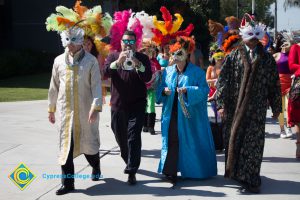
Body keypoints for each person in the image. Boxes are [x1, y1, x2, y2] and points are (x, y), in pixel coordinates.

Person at [216, 14, 281, 194]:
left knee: (254, 143)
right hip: (234, 106)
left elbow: (273, 83)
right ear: (244, 36)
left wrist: (276, 107)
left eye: (255, 36)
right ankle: (238, 174)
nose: (252, 40)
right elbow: (223, 80)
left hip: (257, 109)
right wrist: (221, 104)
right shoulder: (235, 55)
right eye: (249, 36)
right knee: (235, 140)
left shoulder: (267, 59)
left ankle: (252, 179)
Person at [48, 27, 102, 195]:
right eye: (67, 41)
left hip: (86, 112)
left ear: (80, 42)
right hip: (66, 113)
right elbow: (54, 86)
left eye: (73, 42)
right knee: (66, 149)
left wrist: (95, 108)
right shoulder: (58, 61)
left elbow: (96, 87)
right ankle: (68, 184)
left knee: (89, 147)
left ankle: (96, 165)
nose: (69, 46)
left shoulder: (91, 61)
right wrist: (51, 108)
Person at [156, 36, 217, 185]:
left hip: (190, 115)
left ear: (187, 54)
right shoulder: (168, 71)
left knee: (189, 141)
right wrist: (164, 91)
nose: (176, 57)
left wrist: (188, 90)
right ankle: (170, 171)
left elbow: (204, 91)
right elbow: (159, 90)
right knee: (171, 140)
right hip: (171, 113)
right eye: (174, 53)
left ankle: (193, 170)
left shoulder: (197, 72)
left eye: (180, 53)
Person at [104, 30, 152, 185]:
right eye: (126, 41)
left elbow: (148, 77)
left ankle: (132, 170)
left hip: (137, 104)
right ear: (121, 42)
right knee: (121, 138)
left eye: (131, 42)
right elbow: (105, 73)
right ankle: (128, 161)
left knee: (133, 137)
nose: (128, 44)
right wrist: (117, 62)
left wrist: (139, 65)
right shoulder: (112, 56)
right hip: (118, 105)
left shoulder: (143, 58)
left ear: (136, 43)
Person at [273, 32, 293, 138]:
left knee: (288, 106)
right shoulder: (276, 55)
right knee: (280, 108)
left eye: (287, 44)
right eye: (283, 44)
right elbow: (269, 68)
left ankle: (289, 127)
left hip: (290, 83)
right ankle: (282, 130)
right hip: (278, 84)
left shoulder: (293, 55)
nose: (285, 46)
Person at [140, 40, 162, 135]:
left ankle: (151, 126)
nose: (149, 53)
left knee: (151, 105)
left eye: (150, 51)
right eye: (146, 51)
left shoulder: (155, 62)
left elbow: (158, 73)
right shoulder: (140, 61)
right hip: (142, 88)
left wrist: (155, 82)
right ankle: (144, 125)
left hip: (152, 87)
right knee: (144, 105)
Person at [288, 38, 300, 159]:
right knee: (298, 117)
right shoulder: (295, 47)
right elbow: (292, 65)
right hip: (299, 84)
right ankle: (299, 144)